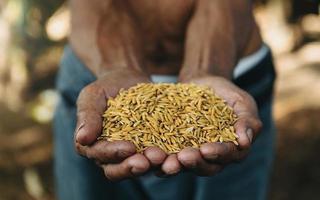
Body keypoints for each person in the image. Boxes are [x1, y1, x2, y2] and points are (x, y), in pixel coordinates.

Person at [54, 0, 276, 199]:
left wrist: (209, 67)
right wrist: (119, 67)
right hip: (96, 75)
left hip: (236, 75)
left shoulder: (216, 110)